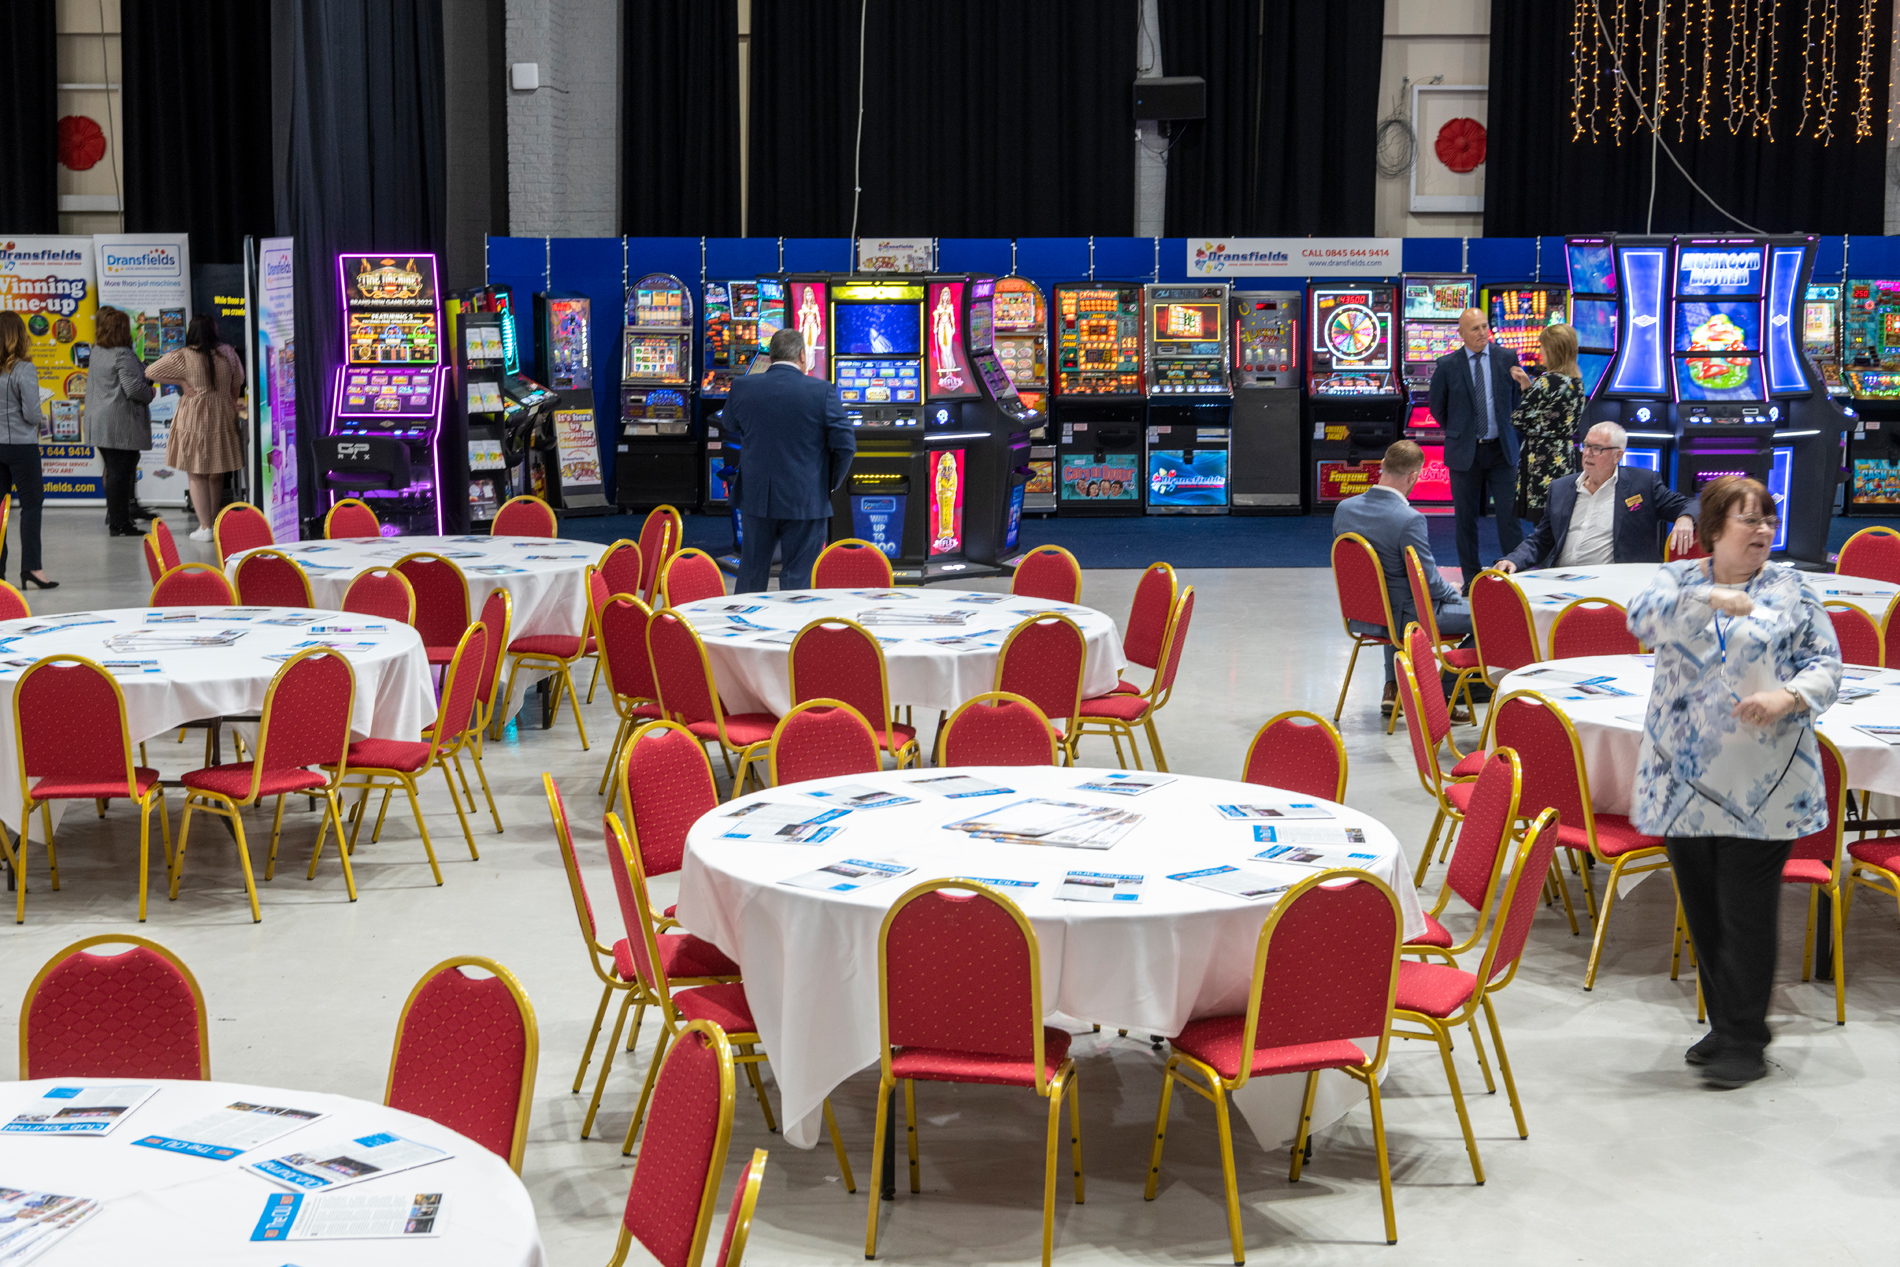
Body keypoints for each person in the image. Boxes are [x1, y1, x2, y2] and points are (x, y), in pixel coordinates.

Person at [1626, 476, 1842, 1089]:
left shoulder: (1792, 588)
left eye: (1768, 519)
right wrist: (1709, 599)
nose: (1763, 530)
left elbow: (1827, 665)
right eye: (1749, 520)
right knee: (1704, 912)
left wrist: (1787, 696)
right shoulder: (1676, 580)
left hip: (1764, 785)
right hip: (1681, 782)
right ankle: (1727, 1025)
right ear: (1715, 529)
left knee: (1746, 912)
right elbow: (1641, 620)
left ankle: (1745, 1038)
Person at [1332, 439, 1471, 719]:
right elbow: (1429, 582)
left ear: (1383, 465)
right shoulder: (1409, 519)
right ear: (1413, 477)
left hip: (1362, 614)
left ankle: (1393, 687)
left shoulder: (1344, 509)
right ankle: (1440, 695)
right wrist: (1454, 592)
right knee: (1491, 616)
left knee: (1393, 595)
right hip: (1404, 619)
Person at [722, 327, 854, 593]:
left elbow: (729, 424)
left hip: (757, 496)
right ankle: (792, 621)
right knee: (797, 578)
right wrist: (829, 483)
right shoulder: (822, 391)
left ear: (770, 356)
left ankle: (743, 619)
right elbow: (846, 445)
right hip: (806, 498)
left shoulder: (742, 387)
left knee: (751, 572)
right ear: (802, 356)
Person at [1494, 422, 1697, 573]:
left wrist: (1686, 517)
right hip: (1561, 577)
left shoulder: (1642, 484)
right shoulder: (1561, 487)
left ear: (1618, 455)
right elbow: (1541, 539)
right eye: (1586, 445)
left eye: (1597, 448)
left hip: (1617, 579)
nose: (1588, 453)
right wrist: (1513, 559)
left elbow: (1693, 504)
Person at [1429, 307, 1524, 586]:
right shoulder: (1447, 365)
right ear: (1461, 333)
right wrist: (1460, 431)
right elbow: (1437, 407)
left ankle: (1515, 579)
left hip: (1501, 451)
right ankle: (1470, 579)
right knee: (1466, 520)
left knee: (1509, 518)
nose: (1483, 332)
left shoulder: (1507, 357)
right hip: (1464, 453)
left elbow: (1517, 402)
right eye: (1475, 328)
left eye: (1484, 326)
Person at [145, 314, 242, 542]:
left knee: (196, 472)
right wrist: (229, 401)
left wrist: (181, 382)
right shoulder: (227, 352)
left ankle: (205, 527)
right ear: (213, 330)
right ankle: (213, 524)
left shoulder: (183, 355)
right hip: (222, 413)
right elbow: (237, 382)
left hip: (194, 415)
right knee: (217, 471)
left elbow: (150, 371)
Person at [86, 306, 158, 537]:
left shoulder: (98, 351)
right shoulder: (122, 354)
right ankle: (120, 524)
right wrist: (151, 392)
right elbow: (134, 389)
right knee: (120, 475)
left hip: (100, 422)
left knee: (115, 472)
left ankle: (118, 518)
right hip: (119, 425)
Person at [1510, 323, 1587, 517]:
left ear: (1553, 350)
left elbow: (1519, 420)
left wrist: (1527, 395)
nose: (1540, 351)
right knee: (1559, 519)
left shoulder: (1547, 382)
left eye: (1543, 346)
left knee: (1543, 522)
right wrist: (1527, 387)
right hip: (1564, 455)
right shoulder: (1577, 382)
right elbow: (1549, 413)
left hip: (1542, 458)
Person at [0, 312, 53, 588]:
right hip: (22, 447)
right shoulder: (24, 369)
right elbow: (32, 414)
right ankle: (32, 568)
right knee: (31, 505)